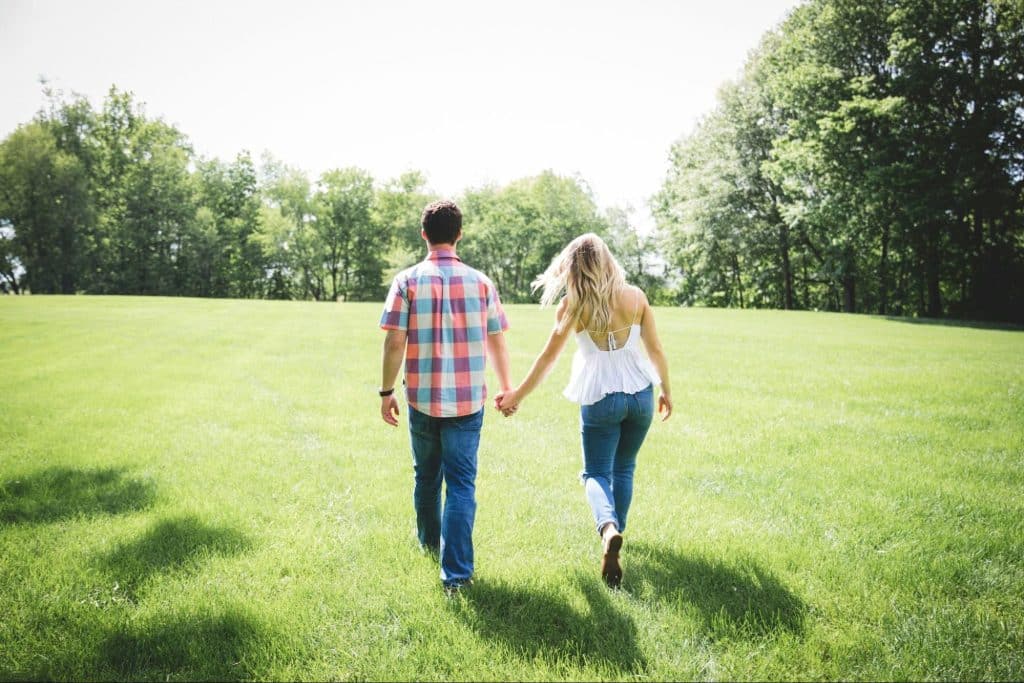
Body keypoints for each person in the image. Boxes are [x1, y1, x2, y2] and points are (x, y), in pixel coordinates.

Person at [495, 233, 672, 588]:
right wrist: (666, 390)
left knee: (594, 474)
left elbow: (547, 359)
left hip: (600, 398)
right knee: (624, 468)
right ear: (607, 261)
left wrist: (516, 395)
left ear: (574, 267)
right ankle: (614, 537)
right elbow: (655, 349)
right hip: (639, 395)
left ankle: (608, 530)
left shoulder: (573, 305)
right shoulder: (635, 297)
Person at [379, 199, 513, 595]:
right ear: (459, 235)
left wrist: (386, 392)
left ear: (424, 235)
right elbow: (498, 341)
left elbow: (392, 344)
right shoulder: (481, 282)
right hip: (468, 400)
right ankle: (455, 575)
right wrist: (507, 388)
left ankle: (428, 544)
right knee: (460, 485)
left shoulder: (406, 281)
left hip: (421, 396)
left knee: (426, 475)